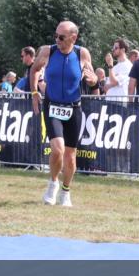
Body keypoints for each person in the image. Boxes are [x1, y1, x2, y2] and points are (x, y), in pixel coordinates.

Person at [30, 21, 95, 207]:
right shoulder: (47, 52)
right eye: (55, 36)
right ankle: (53, 183)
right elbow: (34, 70)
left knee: (70, 155)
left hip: (74, 108)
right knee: (57, 149)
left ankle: (66, 191)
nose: (57, 40)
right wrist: (35, 92)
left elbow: (93, 78)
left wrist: (93, 80)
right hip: (52, 106)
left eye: (61, 37)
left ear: (73, 38)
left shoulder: (82, 53)